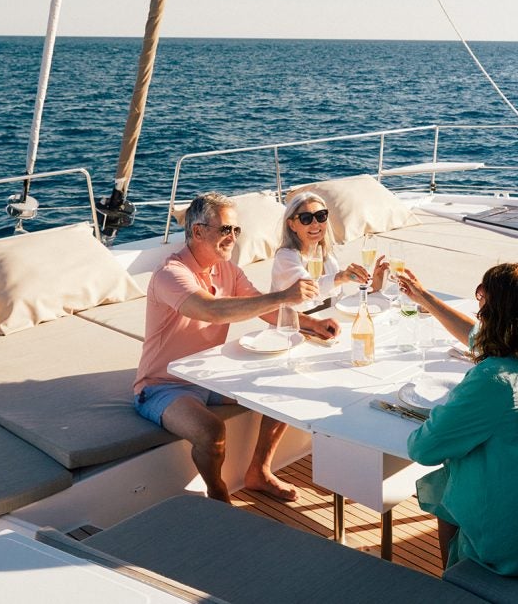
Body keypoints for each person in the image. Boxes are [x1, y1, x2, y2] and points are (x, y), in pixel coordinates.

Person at [133, 192, 339, 502]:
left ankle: (259, 471)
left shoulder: (226, 268)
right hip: (164, 385)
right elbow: (211, 309)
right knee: (211, 433)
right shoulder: (171, 274)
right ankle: (218, 493)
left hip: (210, 373)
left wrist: (313, 326)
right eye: (224, 230)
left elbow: (262, 309)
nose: (232, 237)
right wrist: (283, 296)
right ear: (198, 231)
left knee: (282, 390)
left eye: (235, 230)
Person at [398, 263, 518, 576]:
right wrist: (425, 298)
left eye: (482, 302)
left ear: (496, 313)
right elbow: (474, 337)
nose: (479, 311)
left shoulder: (493, 379)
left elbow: (423, 449)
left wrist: (445, 411)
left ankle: (456, 579)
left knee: (442, 482)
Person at [270, 191, 387, 303]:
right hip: (294, 324)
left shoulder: (328, 258)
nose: (315, 223)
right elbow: (308, 289)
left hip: (326, 322)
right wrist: (341, 277)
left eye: (320, 216)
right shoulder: (285, 257)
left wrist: (373, 288)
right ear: (292, 225)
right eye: (306, 218)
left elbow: (340, 302)